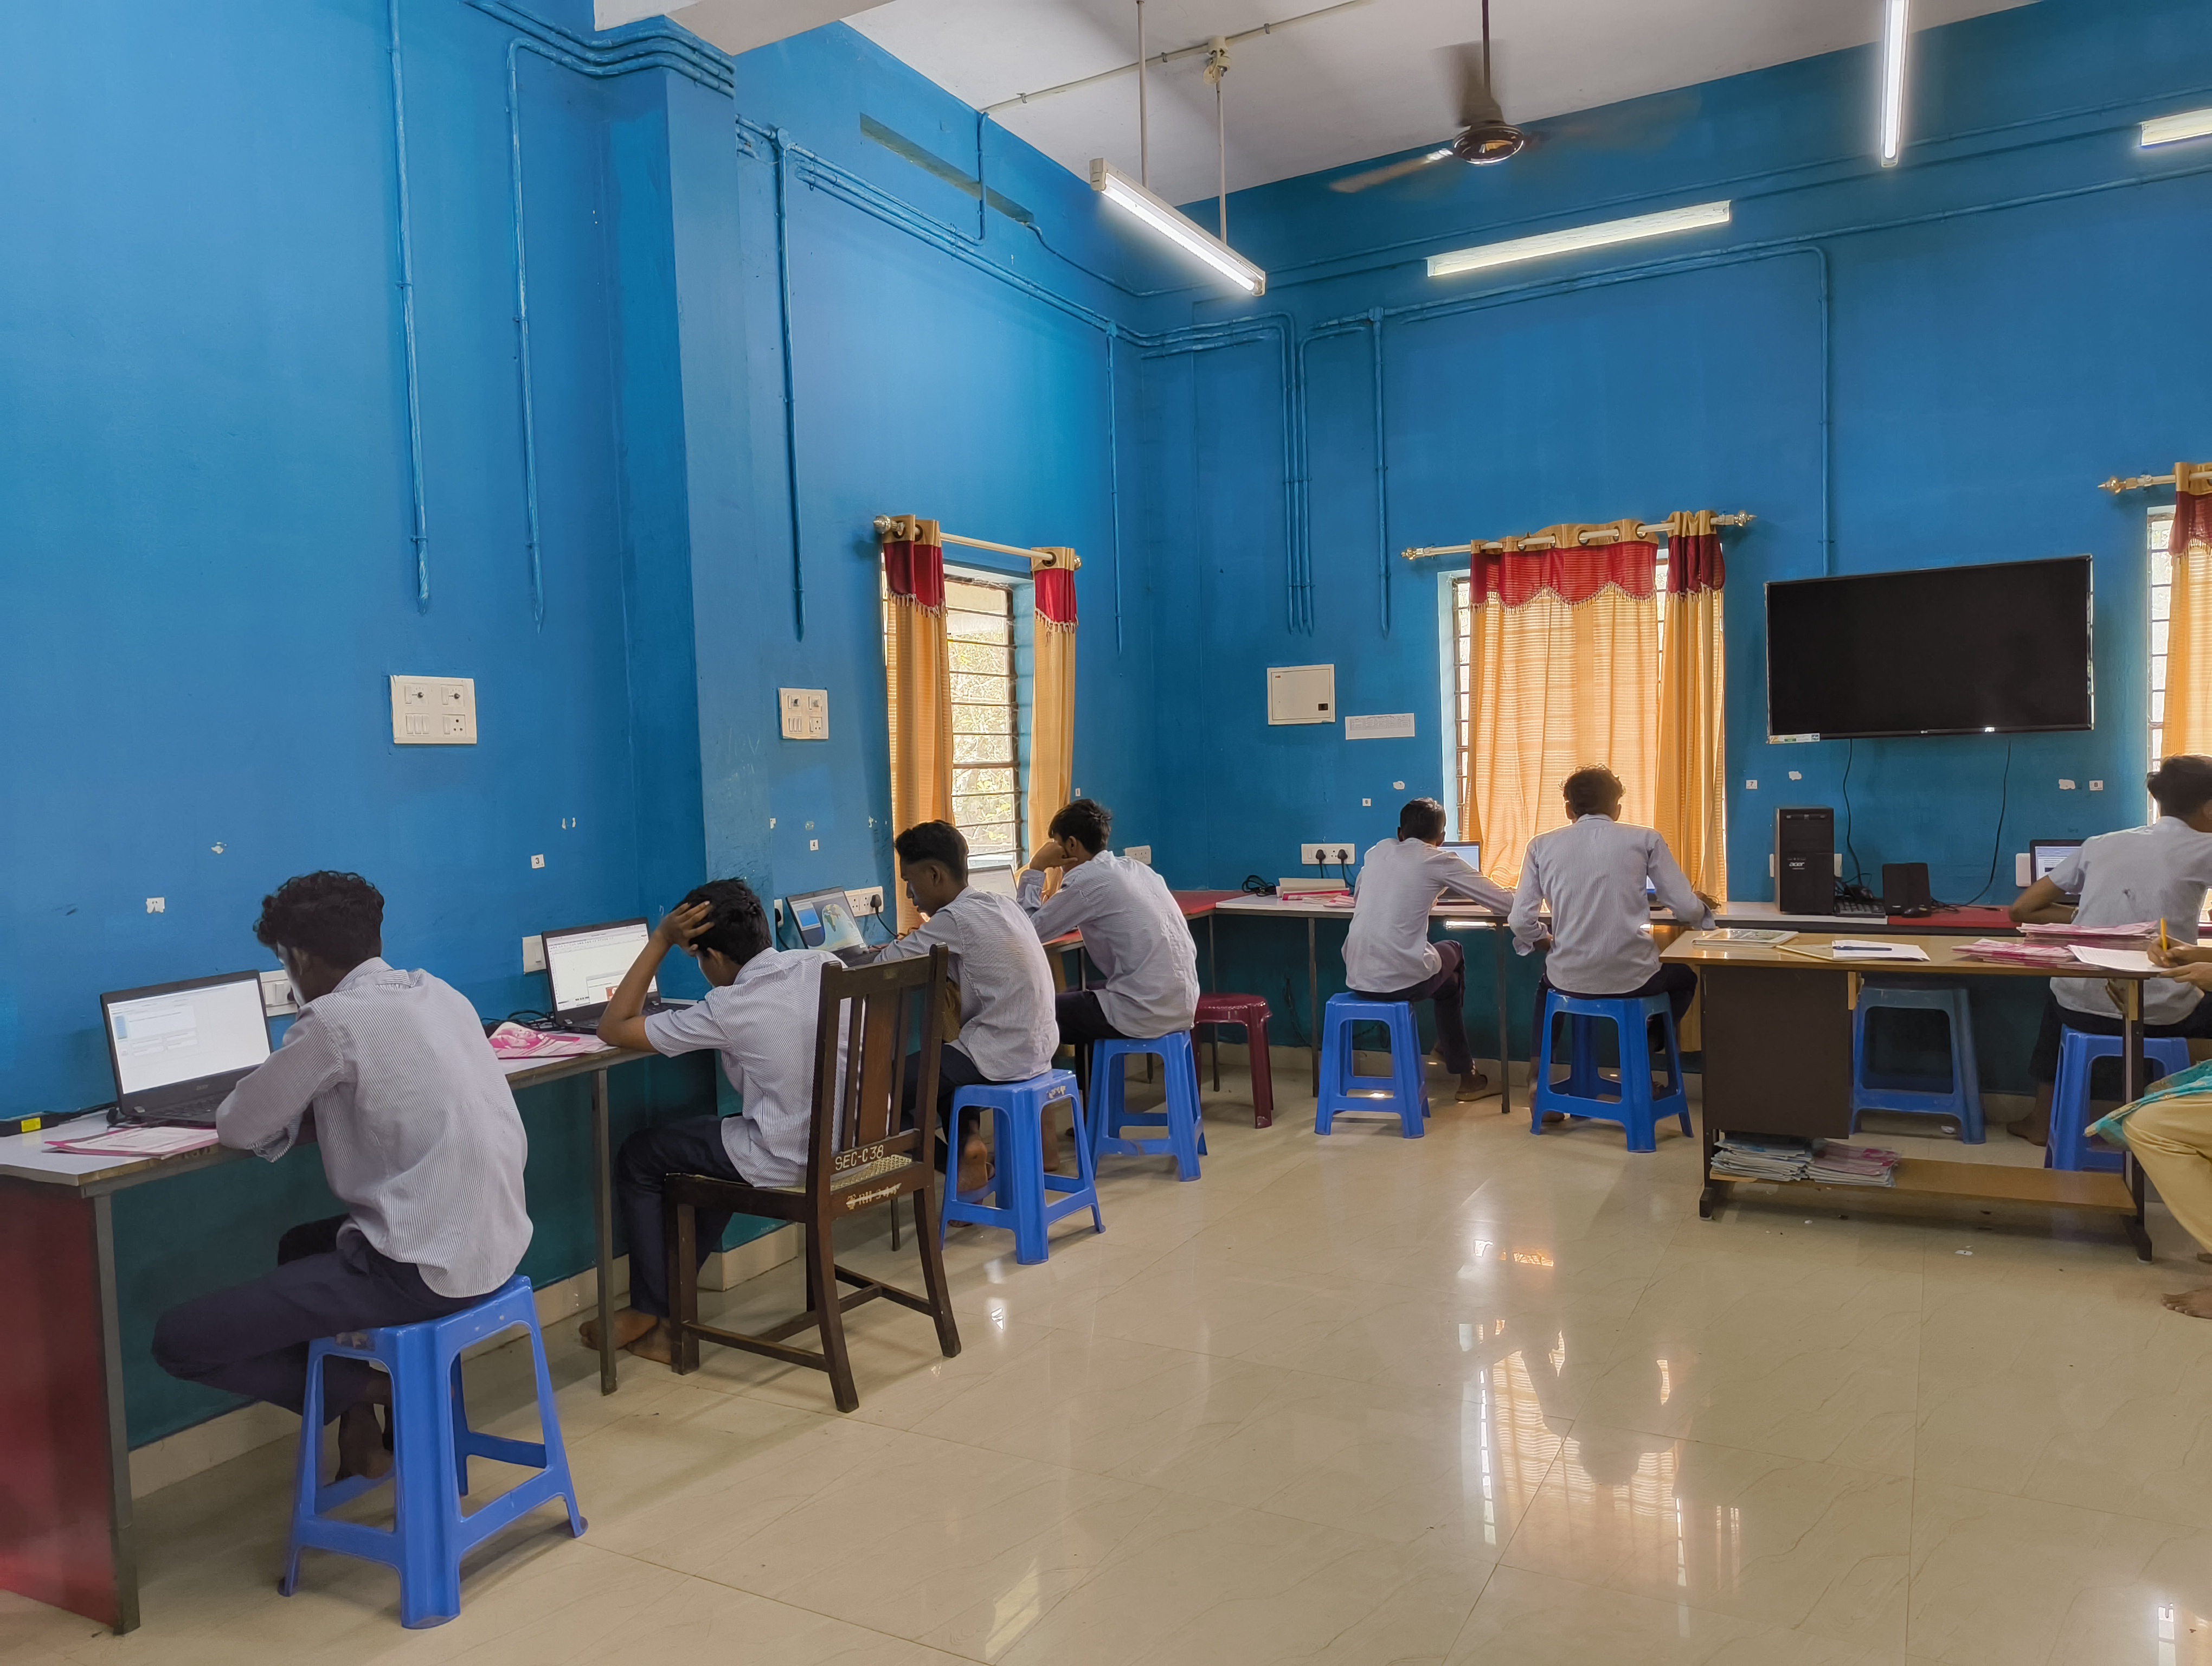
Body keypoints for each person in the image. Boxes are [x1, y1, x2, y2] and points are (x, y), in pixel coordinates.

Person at [151, 872, 531, 1482]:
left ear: (298, 958)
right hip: (497, 1244)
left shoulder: (331, 1021)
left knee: (179, 1339)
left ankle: (370, 1389)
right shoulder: (439, 993)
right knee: (302, 1245)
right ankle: (362, 1442)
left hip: (422, 1271)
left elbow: (239, 1127)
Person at [588, 879, 845, 1365]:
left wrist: (661, 939)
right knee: (712, 1153)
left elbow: (612, 1027)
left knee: (640, 1155)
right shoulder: (823, 964)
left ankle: (655, 1315)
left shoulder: (730, 1006)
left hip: (794, 1158)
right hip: (851, 1146)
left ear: (716, 959)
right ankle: (662, 1309)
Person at [2004, 754, 2212, 1145]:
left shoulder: (2102, 843)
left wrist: (2090, 919)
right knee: (2194, 995)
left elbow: (2022, 910)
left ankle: (2041, 1120)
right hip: (2162, 1012)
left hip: (2079, 1007)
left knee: (2063, 992)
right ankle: (2179, 1120)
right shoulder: (2207, 846)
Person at [874, 820, 1058, 1193]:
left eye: (910, 881)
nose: (909, 895)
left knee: (873, 1097)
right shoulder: (1003, 905)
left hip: (998, 1053)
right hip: (1039, 1049)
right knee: (945, 1059)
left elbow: (884, 965)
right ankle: (969, 1144)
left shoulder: (953, 919)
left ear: (935, 874)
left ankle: (954, 1163)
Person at [1510, 767, 1716, 1083]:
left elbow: (1520, 921)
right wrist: (1700, 907)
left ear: (1569, 809)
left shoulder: (1540, 846)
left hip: (1568, 979)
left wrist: (1543, 938)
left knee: (1547, 985)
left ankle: (1538, 1077)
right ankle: (1644, 1053)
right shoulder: (1646, 839)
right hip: (1635, 979)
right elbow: (1685, 907)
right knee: (1685, 978)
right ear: (1617, 809)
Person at [1343, 797, 1514, 1101]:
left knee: (1449, 984)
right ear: (1441, 839)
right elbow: (1504, 904)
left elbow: (1361, 899)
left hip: (1356, 977)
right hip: (1399, 982)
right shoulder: (1438, 859)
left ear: (1400, 833)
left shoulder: (1378, 852)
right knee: (1454, 949)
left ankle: (1461, 1065)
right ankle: (1460, 1067)